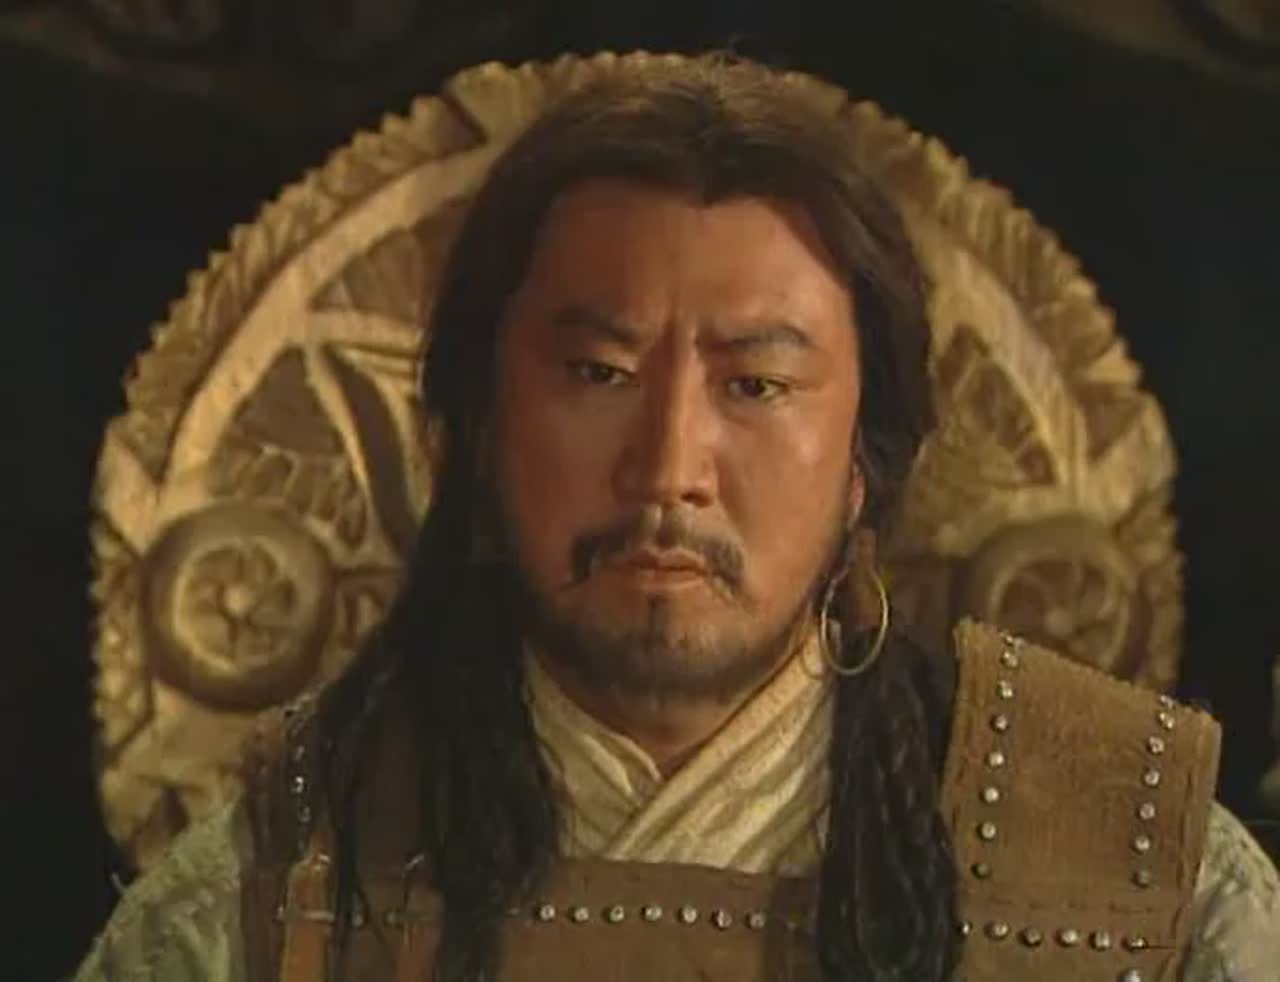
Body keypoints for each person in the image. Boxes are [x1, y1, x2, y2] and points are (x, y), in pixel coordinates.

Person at [75, 54, 1280, 981]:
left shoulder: (1137, 888)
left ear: (863, 457)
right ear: (481, 425)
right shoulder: (270, 892)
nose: (667, 468)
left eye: (754, 385)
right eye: (598, 374)